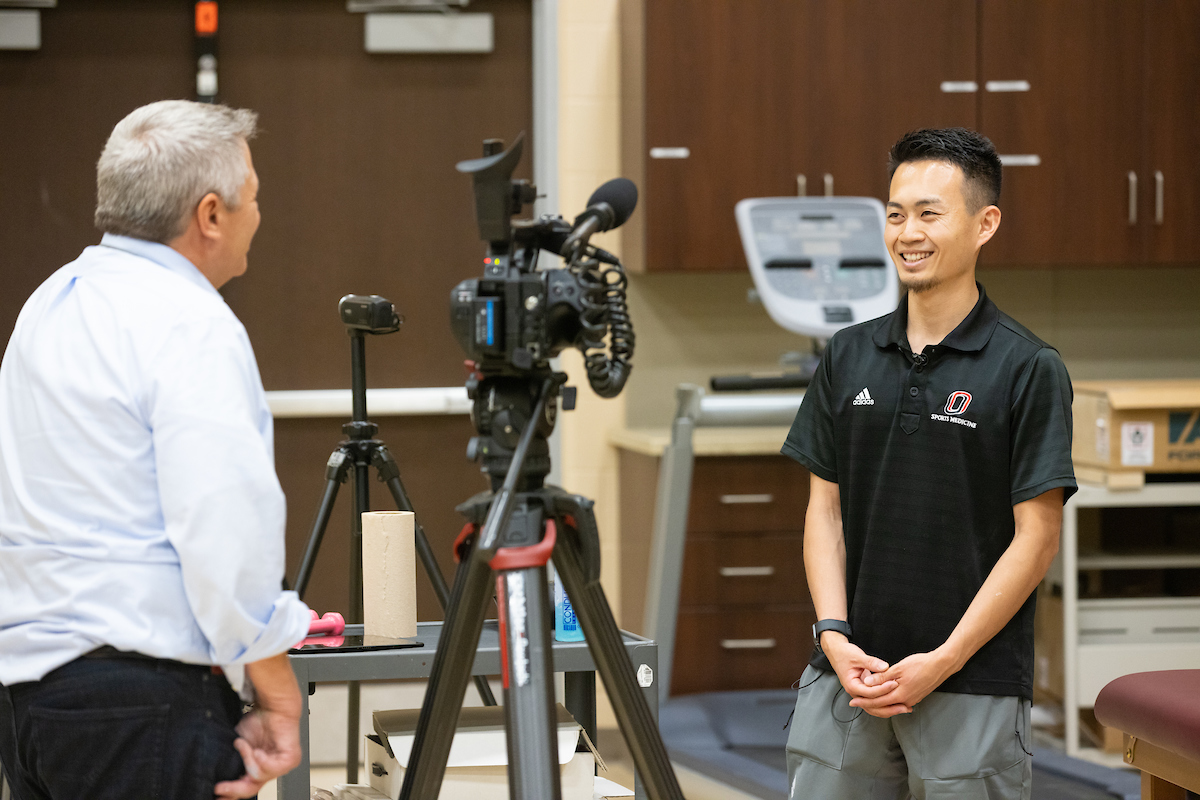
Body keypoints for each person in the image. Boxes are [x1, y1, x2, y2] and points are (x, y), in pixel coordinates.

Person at [0, 100, 311, 800]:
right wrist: (277, 689)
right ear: (210, 215)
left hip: (30, 702)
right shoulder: (191, 323)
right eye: (253, 198)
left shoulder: (50, 304)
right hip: (143, 701)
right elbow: (222, 530)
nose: (258, 216)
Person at [782, 128, 1077, 799]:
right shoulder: (847, 356)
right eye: (895, 213)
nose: (906, 232)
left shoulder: (1028, 367)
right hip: (847, 677)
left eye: (929, 213)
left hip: (971, 680)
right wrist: (832, 634)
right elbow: (823, 510)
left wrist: (943, 660)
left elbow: (1037, 539)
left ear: (985, 223)